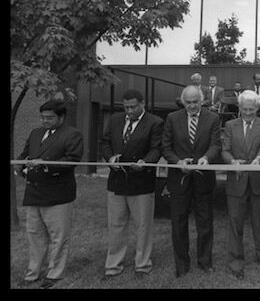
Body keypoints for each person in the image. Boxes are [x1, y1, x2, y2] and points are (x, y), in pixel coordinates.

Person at [18, 100, 84, 288]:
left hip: (58, 194)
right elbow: (24, 155)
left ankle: (55, 274)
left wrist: (44, 164)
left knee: (58, 237)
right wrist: (23, 168)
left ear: (61, 117)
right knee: (34, 235)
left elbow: (72, 160)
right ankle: (33, 272)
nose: (44, 121)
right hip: (34, 192)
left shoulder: (73, 134)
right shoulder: (35, 133)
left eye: (49, 118)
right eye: (42, 117)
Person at [100, 89, 164, 277]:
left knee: (143, 226)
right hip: (117, 182)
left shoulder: (155, 122)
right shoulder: (114, 120)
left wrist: (146, 162)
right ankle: (113, 265)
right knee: (116, 225)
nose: (129, 111)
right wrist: (110, 158)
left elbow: (156, 148)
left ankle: (142, 264)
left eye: (133, 107)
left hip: (141, 183)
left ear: (142, 104)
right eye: (126, 107)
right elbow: (104, 142)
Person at [161, 85, 222, 277]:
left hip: (203, 178)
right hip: (179, 179)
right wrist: (177, 162)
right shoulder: (172, 118)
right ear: (182, 102)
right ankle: (181, 263)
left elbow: (216, 145)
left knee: (205, 222)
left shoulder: (212, 118)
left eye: (196, 102)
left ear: (202, 100)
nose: (192, 106)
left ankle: (205, 261)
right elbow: (165, 146)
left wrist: (207, 158)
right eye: (188, 102)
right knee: (178, 222)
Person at [221, 90, 260, 279]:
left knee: (259, 222)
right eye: (245, 109)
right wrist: (232, 162)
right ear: (239, 108)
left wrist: (259, 159)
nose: (248, 113)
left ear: (258, 108)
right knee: (235, 222)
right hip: (236, 182)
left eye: (252, 109)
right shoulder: (229, 125)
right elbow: (225, 150)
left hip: (257, 181)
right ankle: (236, 261)